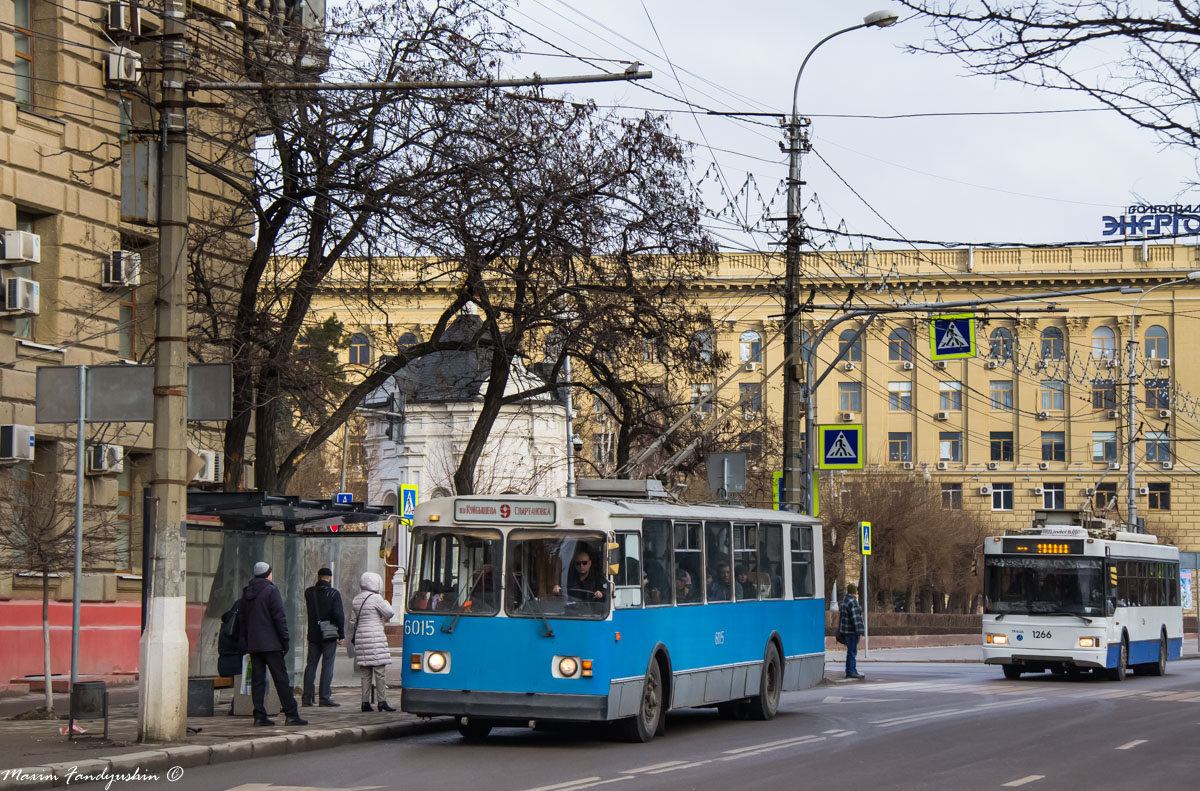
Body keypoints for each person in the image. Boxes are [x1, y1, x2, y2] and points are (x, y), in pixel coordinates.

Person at [239, 562, 307, 726]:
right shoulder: (271, 590)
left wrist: (247, 642)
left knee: (257, 680)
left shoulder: (247, 593)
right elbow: (279, 618)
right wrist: (285, 640)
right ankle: (291, 714)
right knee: (281, 679)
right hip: (272, 644)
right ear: (268, 574)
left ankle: (259, 715)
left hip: (255, 645)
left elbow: (243, 619)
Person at [348, 571, 396, 712]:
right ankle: (382, 701)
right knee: (379, 672)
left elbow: (352, 621)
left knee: (365, 673)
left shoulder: (356, 599)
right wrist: (385, 602)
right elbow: (390, 613)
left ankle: (365, 702)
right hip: (375, 637)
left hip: (361, 638)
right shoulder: (376, 598)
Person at [301, 567, 345, 707]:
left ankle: (307, 698)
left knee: (311, 665)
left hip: (313, 634)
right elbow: (339, 615)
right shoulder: (334, 594)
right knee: (327, 666)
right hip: (329, 634)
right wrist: (341, 634)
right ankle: (324, 697)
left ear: (318, 577)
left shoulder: (309, 592)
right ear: (330, 578)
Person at [838, 583, 866, 680]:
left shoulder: (845, 600)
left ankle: (850, 670)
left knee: (850, 651)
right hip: (852, 631)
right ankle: (851, 671)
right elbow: (856, 618)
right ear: (854, 592)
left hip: (845, 631)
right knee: (852, 652)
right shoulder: (852, 602)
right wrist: (860, 631)